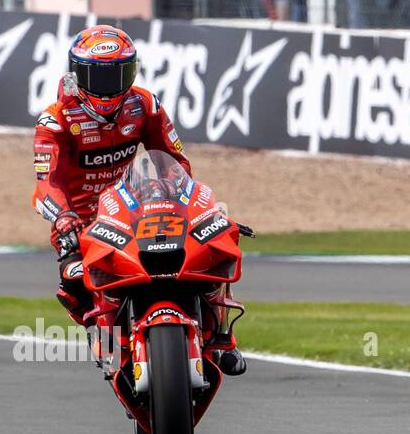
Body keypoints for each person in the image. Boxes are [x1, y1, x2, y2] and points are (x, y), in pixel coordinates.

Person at [30, 26, 247, 376]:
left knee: (209, 248)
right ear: (76, 74)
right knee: (74, 278)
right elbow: (46, 183)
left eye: (118, 73)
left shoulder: (145, 105)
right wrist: (63, 218)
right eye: (97, 75)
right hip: (81, 219)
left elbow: (177, 163)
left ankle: (221, 340)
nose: (108, 86)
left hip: (135, 206)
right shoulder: (55, 120)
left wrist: (183, 200)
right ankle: (107, 336)